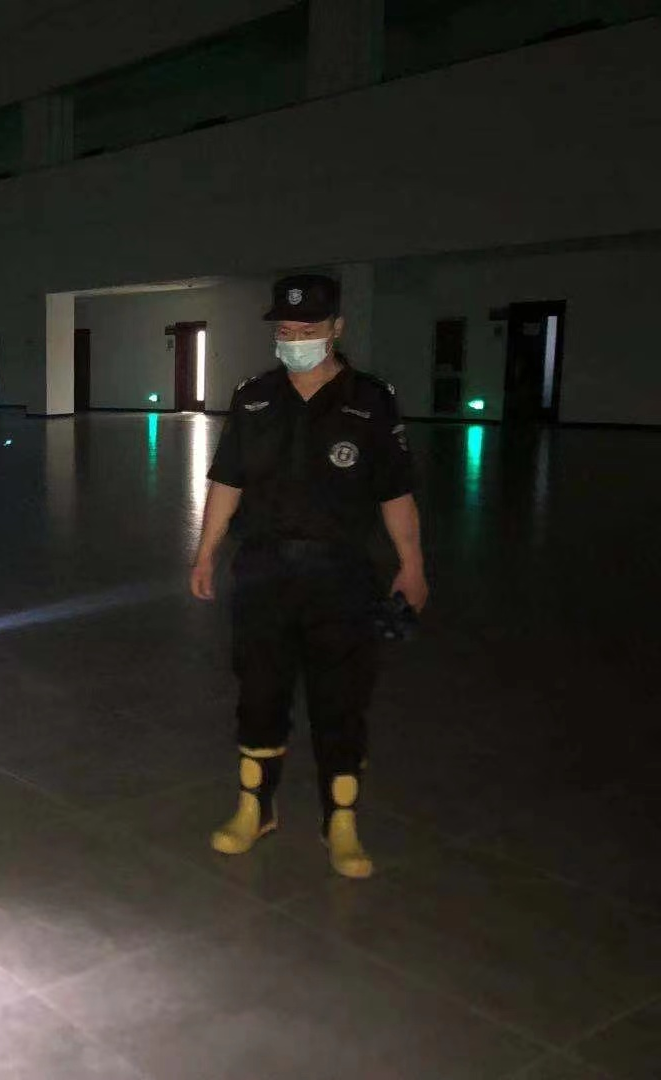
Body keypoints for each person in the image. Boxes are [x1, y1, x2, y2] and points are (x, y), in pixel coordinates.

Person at [190, 274, 428, 879]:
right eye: (286, 330)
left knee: (341, 700)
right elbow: (227, 480)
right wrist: (206, 551)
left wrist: (412, 564)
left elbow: (395, 491)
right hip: (264, 572)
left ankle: (340, 821)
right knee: (259, 694)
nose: (295, 340)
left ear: (336, 328)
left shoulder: (370, 400)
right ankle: (255, 808)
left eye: (308, 329)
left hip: (341, 575)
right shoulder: (255, 397)